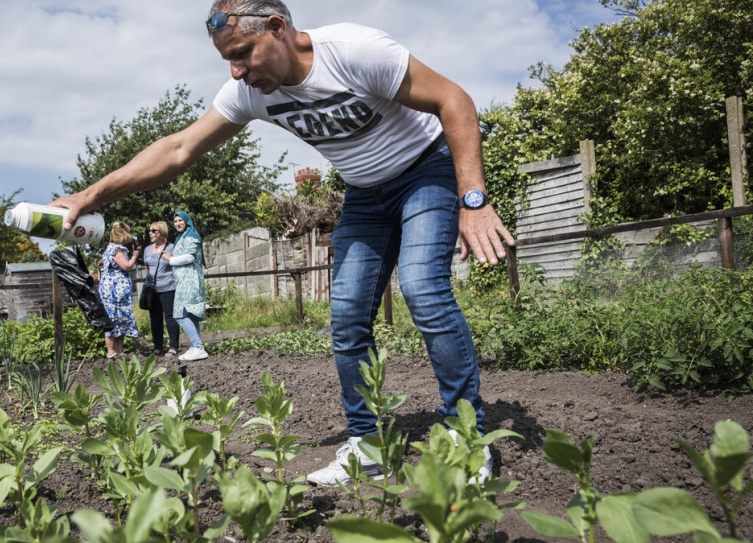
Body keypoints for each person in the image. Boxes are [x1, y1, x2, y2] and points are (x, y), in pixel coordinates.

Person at [51, 0, 515, 486]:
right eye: (227, 59)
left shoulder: (355, 51)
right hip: (362, 192)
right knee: (348, 315)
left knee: (423, 289)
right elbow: (179, 147)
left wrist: (474, 200)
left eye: (243, 53)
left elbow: (453, 100)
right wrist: (90, 195)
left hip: (426, 171)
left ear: (277, 28)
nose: (237, 70)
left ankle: (467, 437)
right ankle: (368, 446)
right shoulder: (249, 92)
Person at [161, 211, 208, 361]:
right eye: (175, 221)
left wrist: (170, 259)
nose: (178, 223)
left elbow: (189, 257)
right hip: (184, 281)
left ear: (186, 221)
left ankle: (198, 347)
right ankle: (195, 347)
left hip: (190, 281)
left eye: (180, 220)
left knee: (179, 315)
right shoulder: (181, 237)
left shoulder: (191, 236)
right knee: (190, 315)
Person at [98, 222, 140, 358]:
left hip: (114, 289)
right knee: (113, 318)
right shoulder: (115, 249)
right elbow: (126, 266)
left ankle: (119, 351)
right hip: (114, 290)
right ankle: (112, 352)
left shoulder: (111, 248)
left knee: (120, 319)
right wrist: (135, 255)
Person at [144, 220, 180, 357]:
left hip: (168, 287)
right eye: (150, 231)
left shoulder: (171, 247)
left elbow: (176, 265)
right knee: (155, 318)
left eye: (154, 231)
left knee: (170, 317)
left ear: (161, 232)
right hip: (152, 290)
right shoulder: (147, 249)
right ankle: (158, 347)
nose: (150, 233)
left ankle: (173, 347)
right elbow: (147, 268)